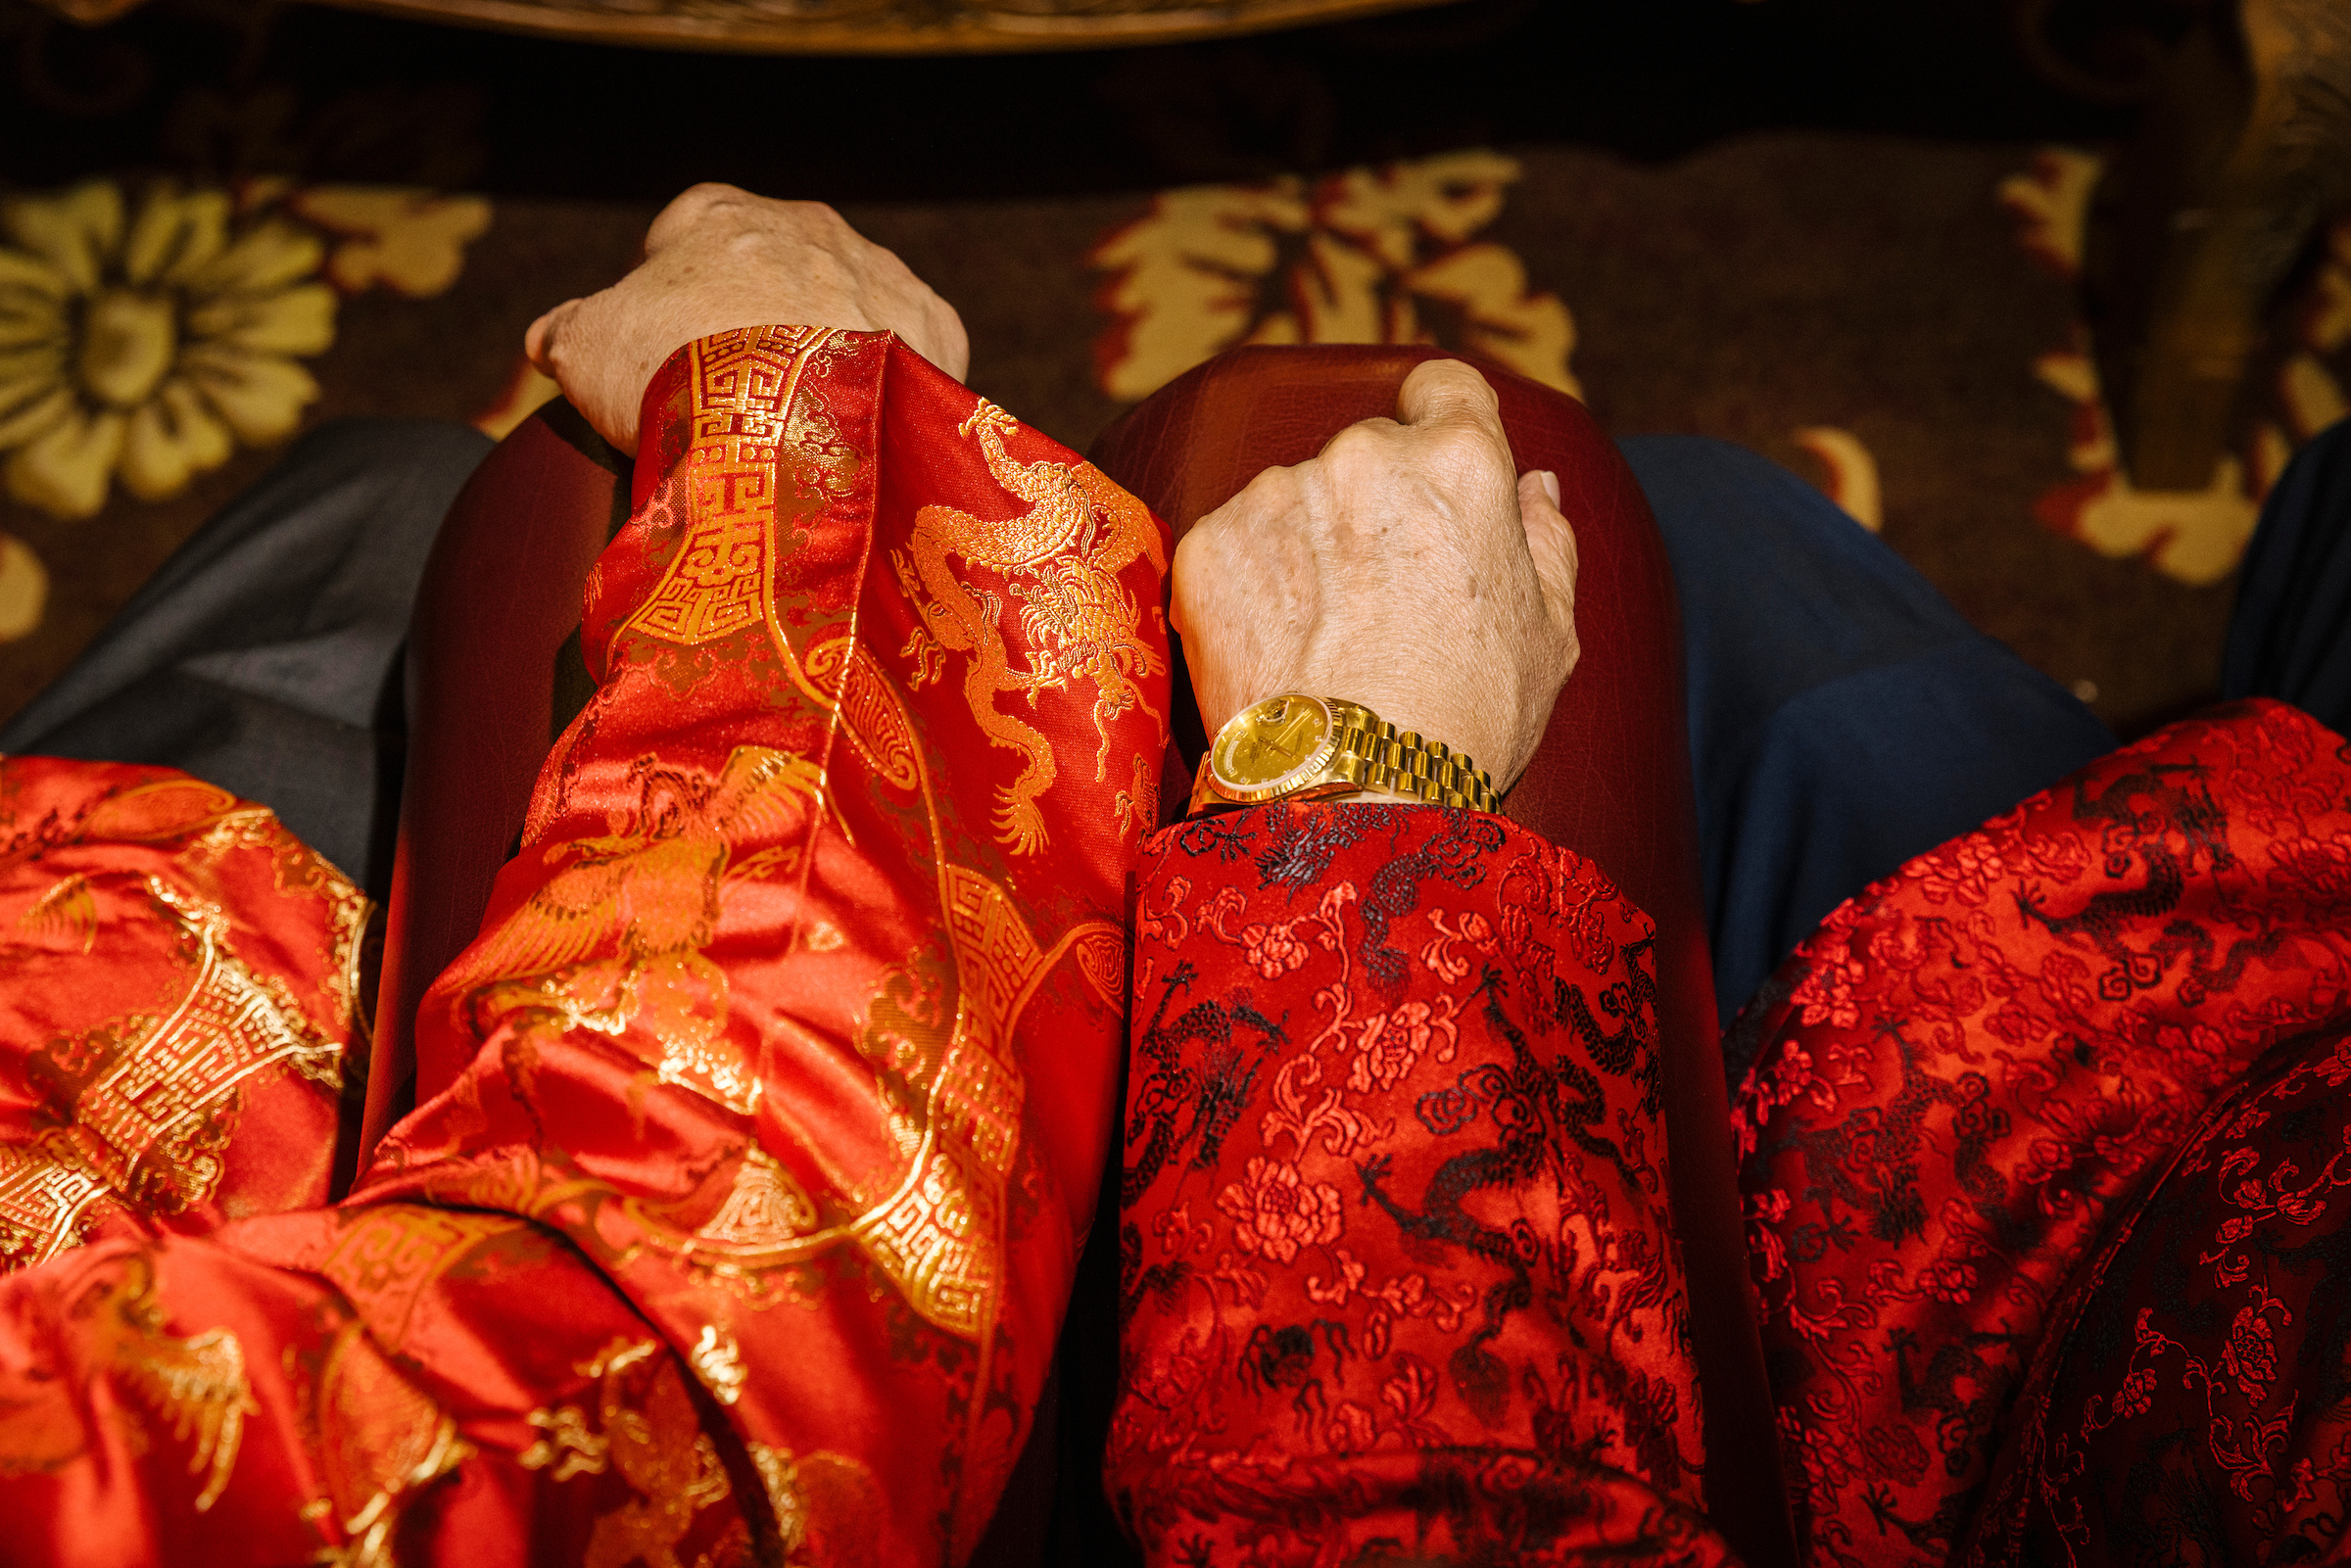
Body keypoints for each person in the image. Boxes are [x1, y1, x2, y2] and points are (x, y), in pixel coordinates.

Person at [0, 183, 2342, 1568]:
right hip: (2115, 1111)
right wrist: (793, 409)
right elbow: (678, 1372)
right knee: (1727, 553)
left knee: (382, 536)